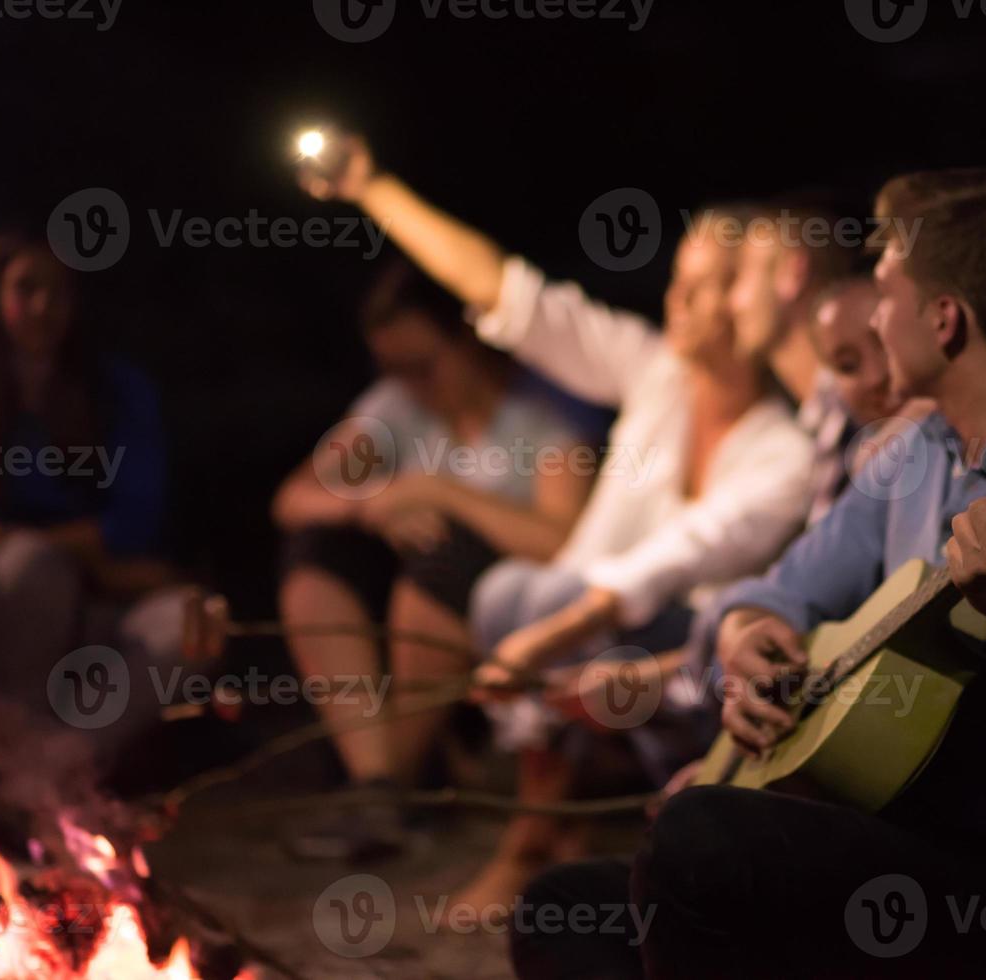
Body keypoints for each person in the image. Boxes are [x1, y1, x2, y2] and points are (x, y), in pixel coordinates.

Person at [512, 169, 986, 980]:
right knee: (561, 908)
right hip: (893, 831)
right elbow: (778, 591)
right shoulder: (914, 452)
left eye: (884, 290)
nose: (870, 312)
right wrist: (747, 634)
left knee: (701, 840)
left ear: (943, 321)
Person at [299, 138, 816, 891]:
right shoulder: (658, 373)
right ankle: (543, 825)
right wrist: (370, 186)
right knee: (508, 589)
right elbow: (508, 296)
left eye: (703, 287)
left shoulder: (783, 451)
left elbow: (670, 562)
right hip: (595, 621)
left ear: (749, 301)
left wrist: (546, 638)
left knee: (538, 597)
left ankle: (532, 842)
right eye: (678, 280)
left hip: (692, 652)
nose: (676, 299)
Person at [272, 259, 596, 860]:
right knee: (318, 552)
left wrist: (439, 492)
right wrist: (373, 505)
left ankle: (392, 785)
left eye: (423, 366)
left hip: (506, 636)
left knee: (442, 554)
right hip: (400, 637)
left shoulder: (543, 415)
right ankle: (378, 786)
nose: (411, 385)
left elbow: (563, 541)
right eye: (393, 369)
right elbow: (293, 498)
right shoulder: (395, 406)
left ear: (472, 339)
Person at [0, 230, 183, 725]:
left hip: (101, 599)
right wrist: (53, 549)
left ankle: (60, 768)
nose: (43, 306)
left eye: (59, 291)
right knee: (28, 570)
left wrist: (11, 540)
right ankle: (2, 751)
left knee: (188, 619)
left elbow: (135, 523)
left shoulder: (118, 391)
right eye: (25, 288)